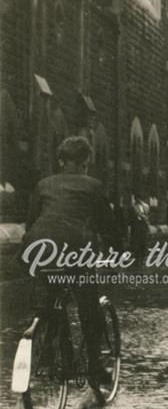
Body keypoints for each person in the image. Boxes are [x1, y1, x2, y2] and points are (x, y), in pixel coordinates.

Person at [20, 135, 119, 388]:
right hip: (74, 249)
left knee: (52, 298)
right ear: (86, 160)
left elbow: (31, 222)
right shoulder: (93, 186)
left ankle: (52, 351)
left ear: (60, 160)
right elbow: (107, 225)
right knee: (89, 308)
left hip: (38, 247)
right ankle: (96, 368)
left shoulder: (43, 185)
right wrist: (116, 250)